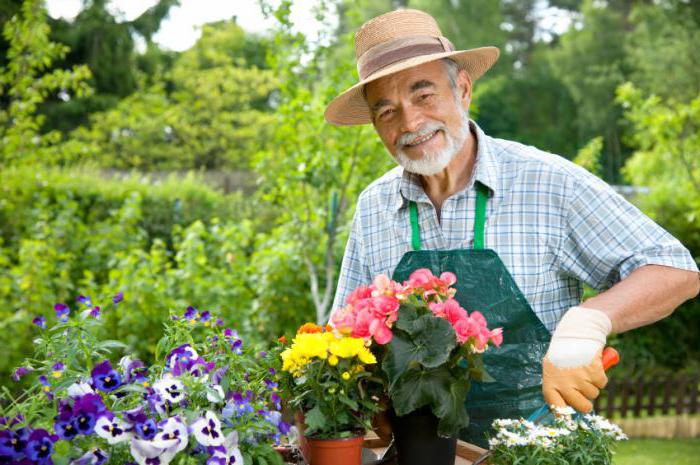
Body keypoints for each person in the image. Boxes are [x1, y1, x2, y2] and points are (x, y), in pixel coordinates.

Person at [324, 8, 700, 447]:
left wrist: (588, 322)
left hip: (542, 451)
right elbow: (343, 333)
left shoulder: (548, 183)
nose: (409, 123)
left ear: (462, 89)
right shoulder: (375, 206)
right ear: (374, 125)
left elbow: (675, 269)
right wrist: (365, 394)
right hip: (421, 454)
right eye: (387, 111)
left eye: (423, 95)